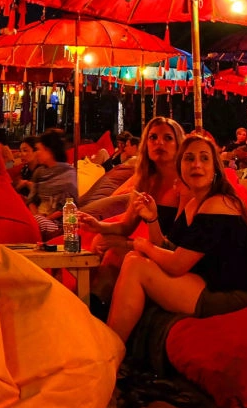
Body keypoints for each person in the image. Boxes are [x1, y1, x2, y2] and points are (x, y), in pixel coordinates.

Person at [107, 134, 247, 346]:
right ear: (180, 168)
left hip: (237, 295)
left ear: (215, 169)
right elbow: (168, 248)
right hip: (212, 283)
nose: (196, 165)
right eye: (189, 158)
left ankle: (111, 349)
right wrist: (153, 219)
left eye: (204, 158)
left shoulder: (218, 204)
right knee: (132, 258)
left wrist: (144, 245)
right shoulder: (195, 204)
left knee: (136, 265)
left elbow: (177, 264)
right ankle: (109, 339)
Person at [78, 117, 185, 301]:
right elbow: (126, 226)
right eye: (153, 137)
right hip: (152, 246)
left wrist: (130, 244)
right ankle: (88, 298)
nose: (159, 143)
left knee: (115, 252)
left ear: (179, 145)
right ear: (146, 145)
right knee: (101, 239)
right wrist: (98, 225)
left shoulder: (184, 184)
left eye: (168, 138)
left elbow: (174, 245)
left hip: (174, 254)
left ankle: (95, 304)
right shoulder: (146, 181)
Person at [30, 130, 78, 214]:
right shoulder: (39, 172)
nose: (36, 153)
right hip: (38, 216)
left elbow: (67, 206)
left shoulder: (68, 173)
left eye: (38, 149)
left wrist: (45, 219)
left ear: (49, 150)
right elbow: (31, 200)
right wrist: (36, 216)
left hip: (61, 218)